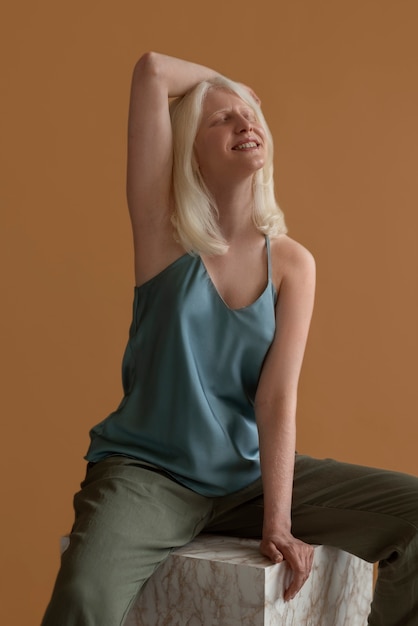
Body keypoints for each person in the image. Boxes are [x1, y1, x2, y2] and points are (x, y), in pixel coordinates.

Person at [42, 52, 418, 626]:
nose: (244, 123)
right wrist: (234, 84)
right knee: (82, 598)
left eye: (251, 116)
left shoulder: (293, 263)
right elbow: (152, 72)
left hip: (245, 477)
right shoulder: (162, 232)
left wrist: (277, 521)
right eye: (221, 119)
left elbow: (275, 398)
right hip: (150, 475)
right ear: (189, 148)